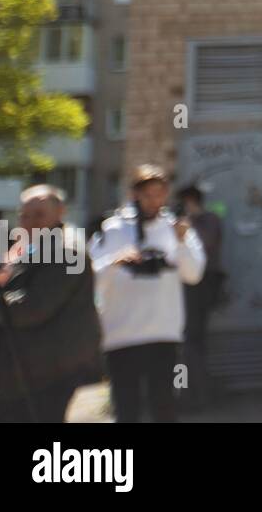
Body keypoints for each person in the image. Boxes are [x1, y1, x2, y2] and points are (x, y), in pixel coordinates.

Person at [91, 164, 206, 423]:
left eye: (160, 193)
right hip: (122, 334)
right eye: (148, 194)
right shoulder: (112, 229)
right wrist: (116, 261)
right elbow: (93, 277)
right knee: (126, 409)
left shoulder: (176, 228)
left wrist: (180, 242)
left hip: (163, 332)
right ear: (135, 194)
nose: (155, 200)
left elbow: (193, 274)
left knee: (164, 407)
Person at [0, 185, 101, 422]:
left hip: (48, 369)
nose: (30, 222)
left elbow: (32, 308)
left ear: (60, 212)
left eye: (39, 215)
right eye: (24, 215)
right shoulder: (34, 248)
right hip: (26, 367)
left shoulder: (67, 251)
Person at [175, 181, 224, 409]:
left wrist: (188, 227)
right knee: (191, 342)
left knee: (192, 342)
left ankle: (196, 396)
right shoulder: (198, 222)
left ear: (190, 201)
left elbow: (206, 245)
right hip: (187, 289)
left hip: (201, 288)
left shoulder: (208, 221)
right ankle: (193, 394)